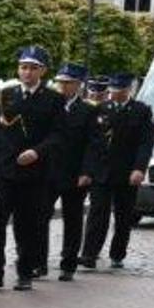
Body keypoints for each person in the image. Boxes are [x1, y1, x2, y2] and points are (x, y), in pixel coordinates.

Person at [0, 46, 66, 292]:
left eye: (32, 68)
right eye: (23, 67)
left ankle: (24, 271)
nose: (26, 72)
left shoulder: (53, 99)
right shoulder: (6, 95)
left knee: (27, 223)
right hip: (6, 169)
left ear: (42, 71)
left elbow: (59, 135)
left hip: (35, 171)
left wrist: (37, 152)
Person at [81, 73, 154, 268]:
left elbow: (146, 144)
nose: (114, 95)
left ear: (128, 90)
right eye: (112, 91)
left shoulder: (141, 111)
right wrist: (87, 171)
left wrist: (139, 168)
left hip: (127, 173)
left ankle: (117, 253)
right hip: (102, 172)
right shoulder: (101, 109)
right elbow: (92, 144)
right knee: (97, 214)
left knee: (124, 216)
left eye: (119, 91)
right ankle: (89, 254)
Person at [48, 62, 101, 282]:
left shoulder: (89, 110)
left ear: (78, 85)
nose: (63, 86)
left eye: (68, 83)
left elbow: (93, 144)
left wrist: (87, 171)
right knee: (39, 216)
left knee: (72, 218)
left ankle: (68, 263)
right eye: (60, 82)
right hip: (48, 171)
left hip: (74, 173)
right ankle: (37, 261)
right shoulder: (49, 105)